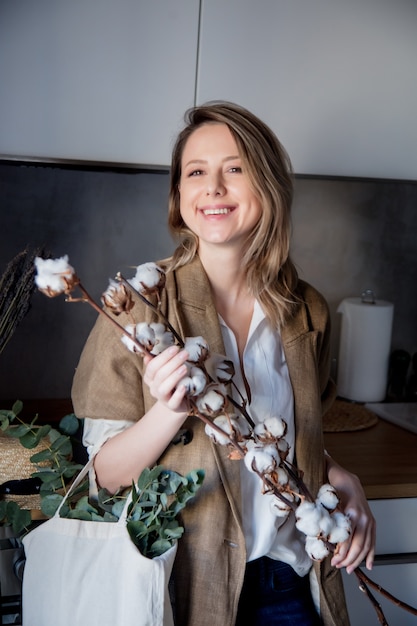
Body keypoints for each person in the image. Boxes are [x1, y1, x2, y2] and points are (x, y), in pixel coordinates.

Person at [71, 101, 376, 626]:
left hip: (291, 579)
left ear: (269, 186)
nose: (213, 187)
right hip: (184, 585)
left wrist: (338, 474)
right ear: (178, 196)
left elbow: (292, 437)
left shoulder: (307, 311)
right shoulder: (136, 307)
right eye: (196, 172)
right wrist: (168, 413)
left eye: (234, 169)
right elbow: (103, 476)